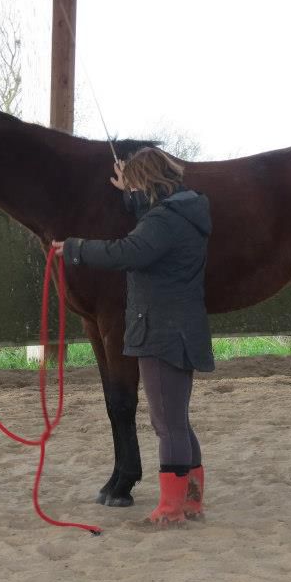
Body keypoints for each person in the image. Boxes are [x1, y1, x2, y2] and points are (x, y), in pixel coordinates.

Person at [52, 147, 214, 526]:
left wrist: (75, 248)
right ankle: (191, 501)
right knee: (178, 420)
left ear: (148, 182)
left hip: (160, 330)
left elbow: (128, 250)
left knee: (167, 424)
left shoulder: (163, 222)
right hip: (182, 328)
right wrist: (130, 190)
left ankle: (171, 508)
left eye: (136, 185)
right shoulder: (183, 212)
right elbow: (150, 225)